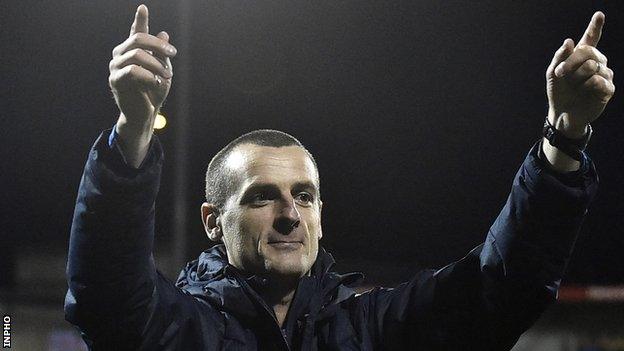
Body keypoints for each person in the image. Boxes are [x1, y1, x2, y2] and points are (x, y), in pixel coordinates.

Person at [64, 4, 614, 350]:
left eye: (304, 196)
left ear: (322, 215)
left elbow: (499, 289)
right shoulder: (174, 328)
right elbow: (105, 288)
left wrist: (562, 138)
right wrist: (134, 128)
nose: (289, 216)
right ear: (212, 220)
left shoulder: (372, 328)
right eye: (262, 198)